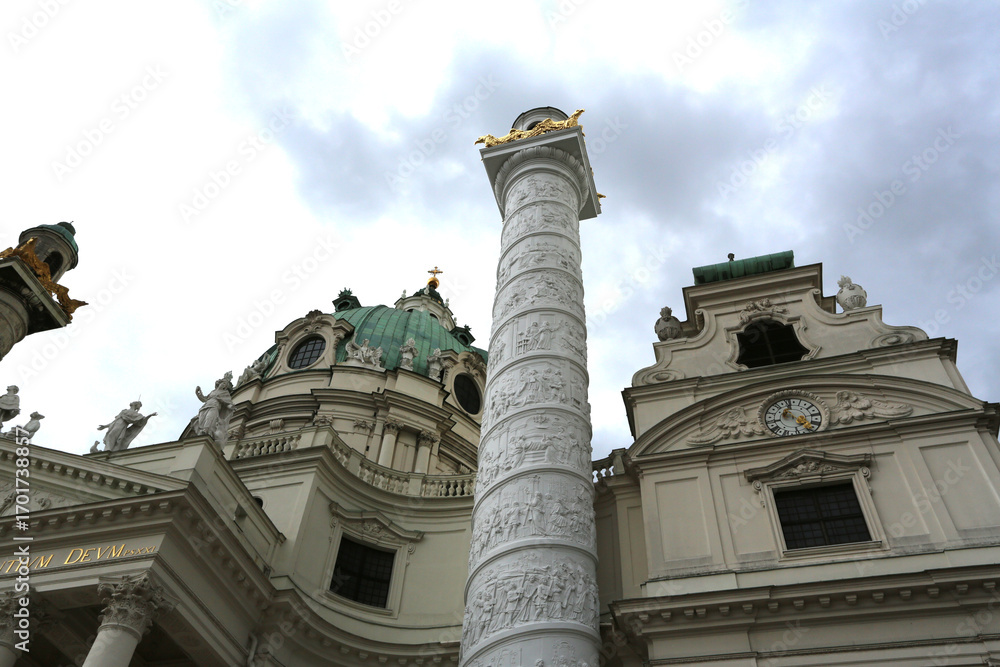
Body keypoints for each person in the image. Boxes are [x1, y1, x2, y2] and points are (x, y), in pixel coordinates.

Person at [195, 372, 234, 447]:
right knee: (201, 421)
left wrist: (230, 407)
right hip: (206, 406)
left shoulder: (225, 393)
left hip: (215, 407)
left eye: (225, 385)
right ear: (219, 384)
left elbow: (227, 402)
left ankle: (206, 431)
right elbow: (204, 399)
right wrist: (198, 393)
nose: (223, 385)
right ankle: (202, 431)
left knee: (210, 419)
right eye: (223, 383)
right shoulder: (213, 392)